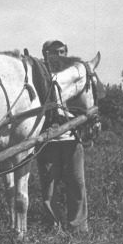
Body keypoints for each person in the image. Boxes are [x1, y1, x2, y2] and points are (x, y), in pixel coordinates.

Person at [37, 39, 90, 233]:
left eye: (61, 52)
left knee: (76, 184)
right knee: (48, 189)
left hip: (72, 138)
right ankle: (53, 229)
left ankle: (78, 229)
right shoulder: (39, 77)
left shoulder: (75, 76)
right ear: (45, 54)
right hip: (47, 140)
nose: (58, 56)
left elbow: (86, 102)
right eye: (53, 52)